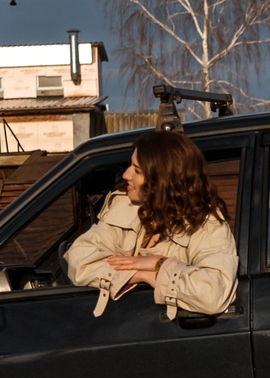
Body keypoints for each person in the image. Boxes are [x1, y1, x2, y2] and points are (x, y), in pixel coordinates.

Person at [66, 127, 237, 318]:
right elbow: (78, 260)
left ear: (162, 179)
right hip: (120, 324)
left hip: (169, 331)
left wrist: (160, 264)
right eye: (130, 166)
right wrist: (140, 274)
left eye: (137, 170)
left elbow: (213, 293)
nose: (126, 175)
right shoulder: (125, 205)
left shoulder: (206, 224)